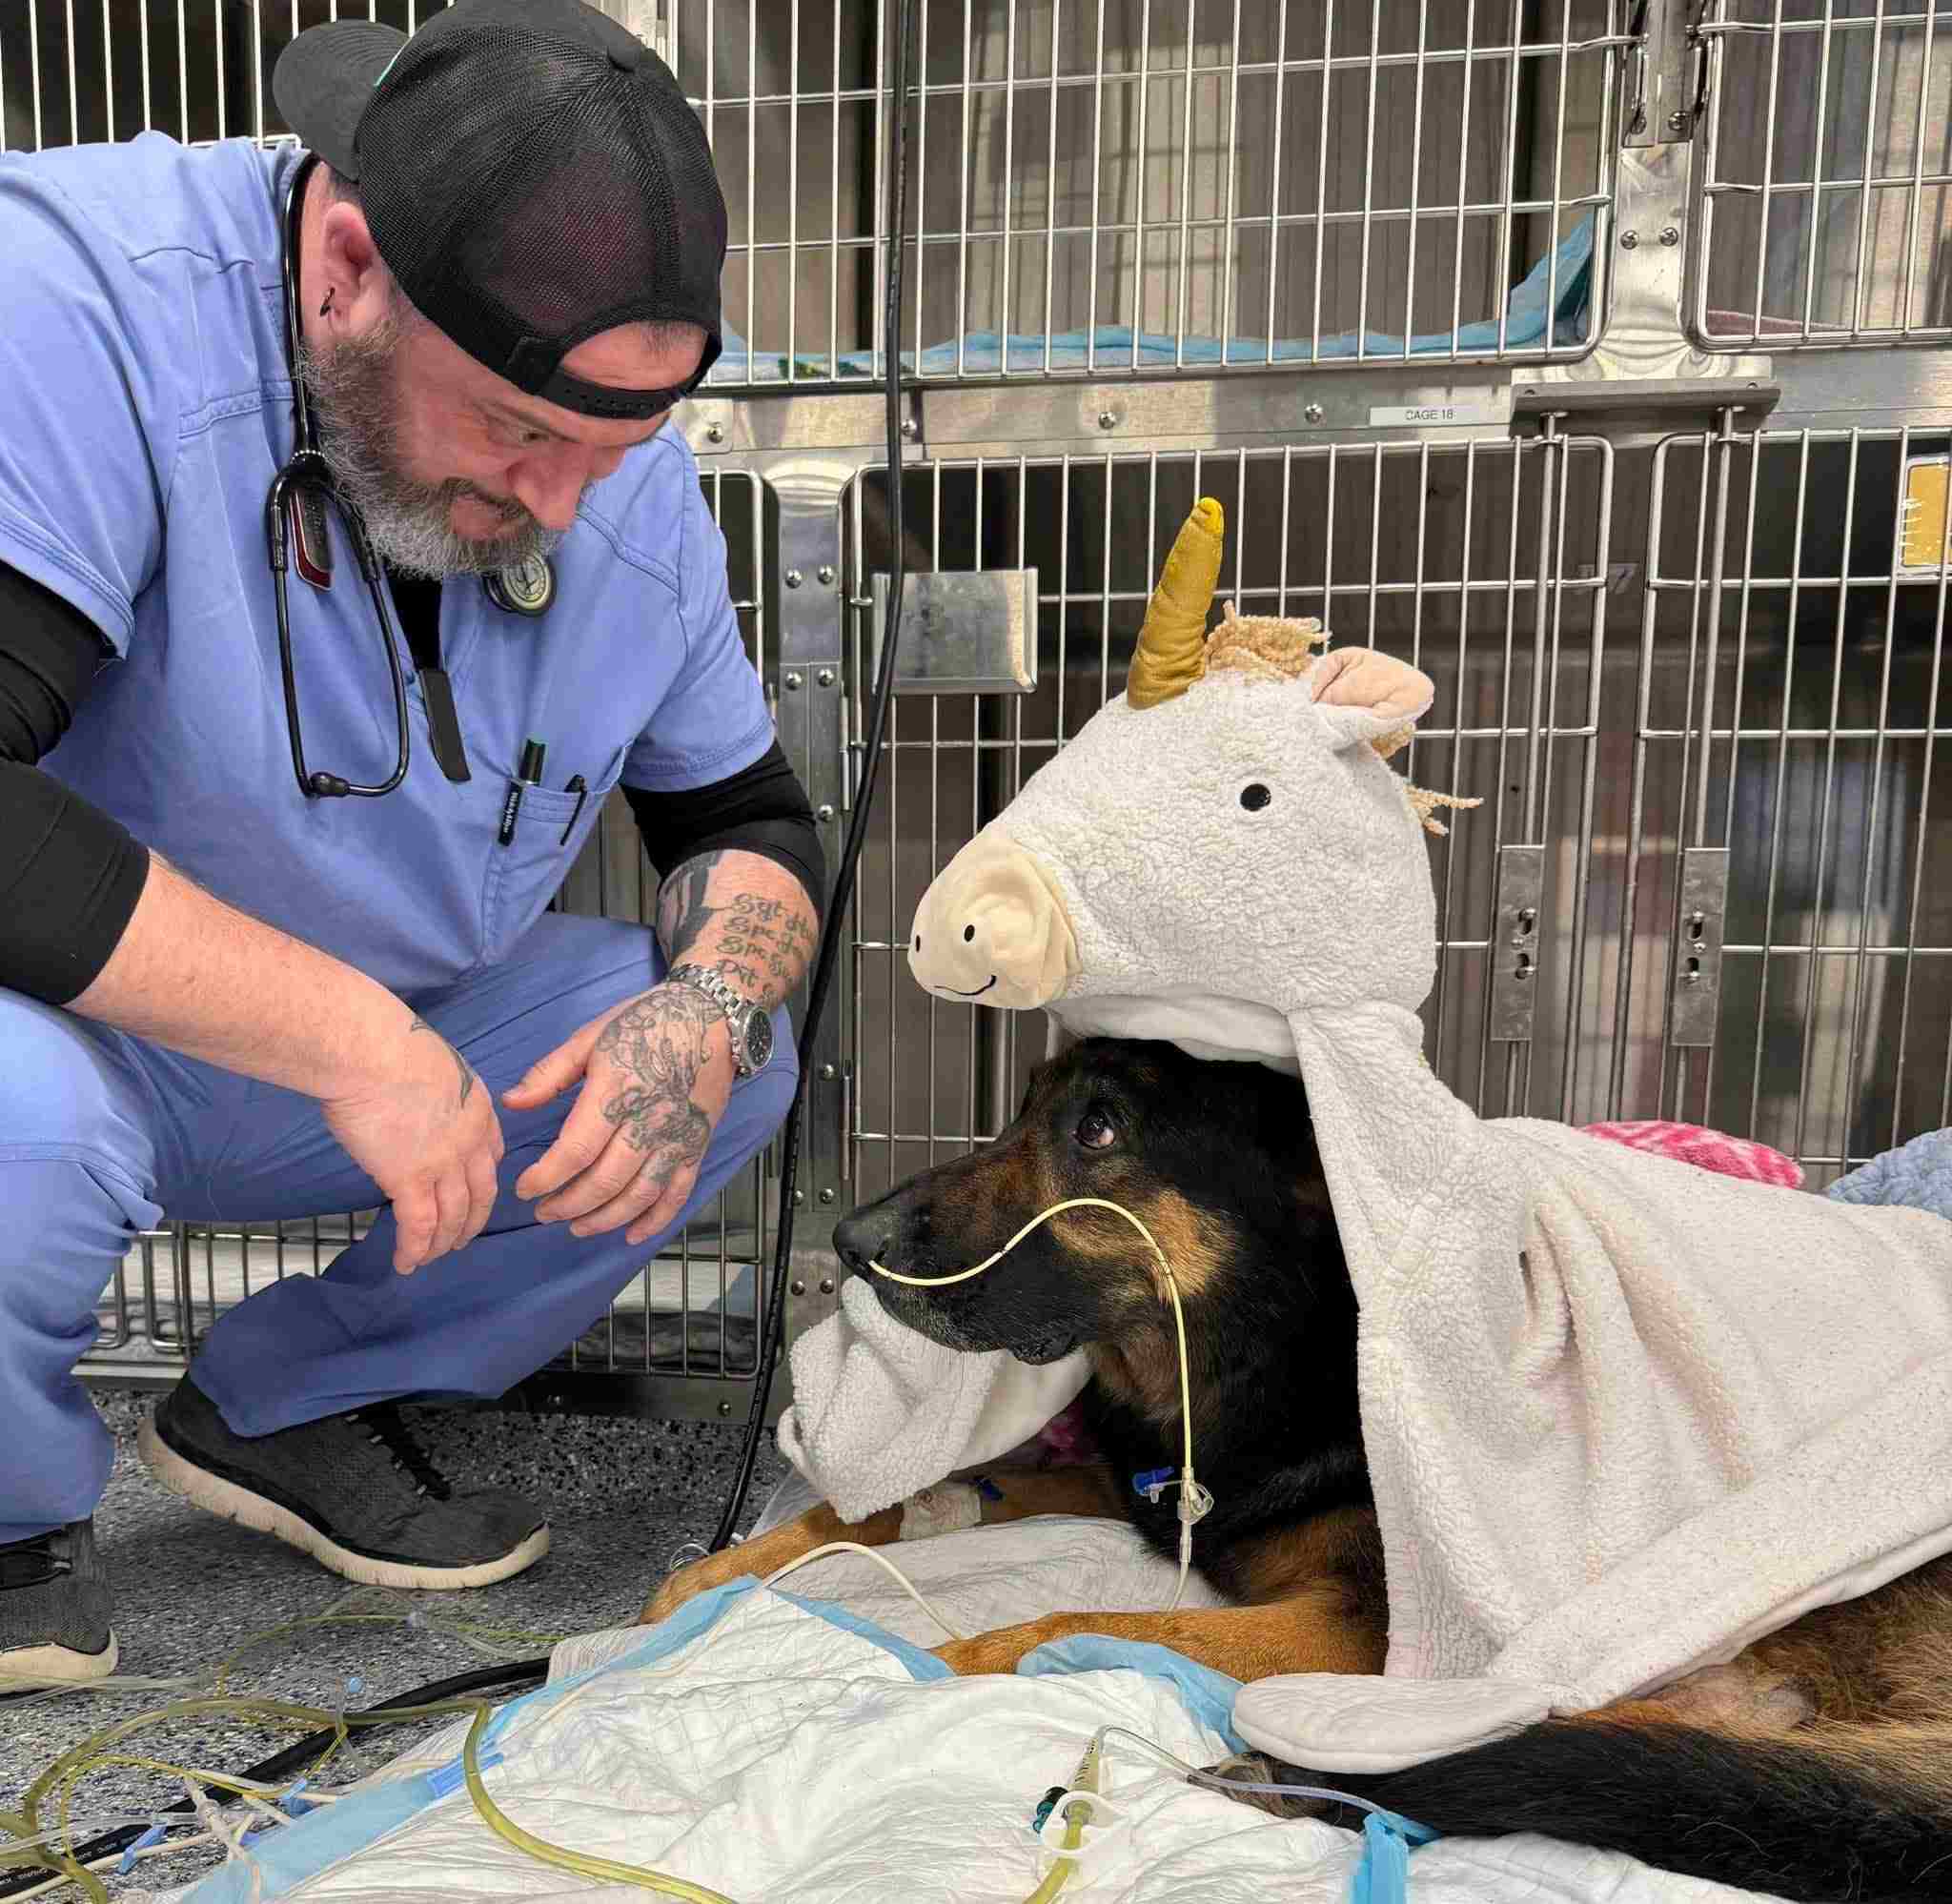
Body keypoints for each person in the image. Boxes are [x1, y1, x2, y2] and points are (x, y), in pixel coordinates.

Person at [0, 0, 823, 1687]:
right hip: (88, 1026)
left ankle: (288, 1398)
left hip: (392, 1063)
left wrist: (707, 1005)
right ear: (350, 270)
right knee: (15, 1128)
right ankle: (9, 1512)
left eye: (619, 449)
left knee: (727, 1047)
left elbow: (744, 823)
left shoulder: (602, 477)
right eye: (520, 435)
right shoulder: (76, 301)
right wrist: (349, 1036)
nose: (563, 509)